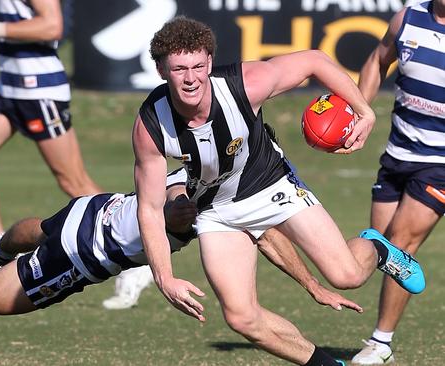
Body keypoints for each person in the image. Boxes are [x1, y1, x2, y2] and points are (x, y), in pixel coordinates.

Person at [0, 170, 361, 366]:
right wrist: (313, 283)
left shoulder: (198, 165)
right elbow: (262, 237)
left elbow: (189, 200)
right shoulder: (215, 202)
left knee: (43, 225)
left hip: (92, 208)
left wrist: (312, 282)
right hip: (82, 256)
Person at [131, 16, 426, 366]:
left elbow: (316, 60)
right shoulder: (151, 125)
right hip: (215, 210)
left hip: (270, 184)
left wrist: (364, 110)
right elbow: (150, 209)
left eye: (198, 66)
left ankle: (376, 247)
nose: (191, 78)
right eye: (179, 69)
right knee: (241, 317)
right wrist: (164, 278)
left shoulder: (245, 84)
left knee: (346, 276)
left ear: (209, 62)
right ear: (161, 70)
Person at [0, 0, 101, 280]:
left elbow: (52, 26)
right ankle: (2, 254)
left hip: (39, 90)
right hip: (7, 88)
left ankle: (132, 247)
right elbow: (21, 26)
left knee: (73, 182)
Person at [351, 1, 444, 364]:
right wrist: (362, 110)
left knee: (400, 245)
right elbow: (377, 60)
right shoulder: (407, 17)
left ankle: (380, 343)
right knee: (380, 250)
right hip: (397, 155)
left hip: (439, 163)